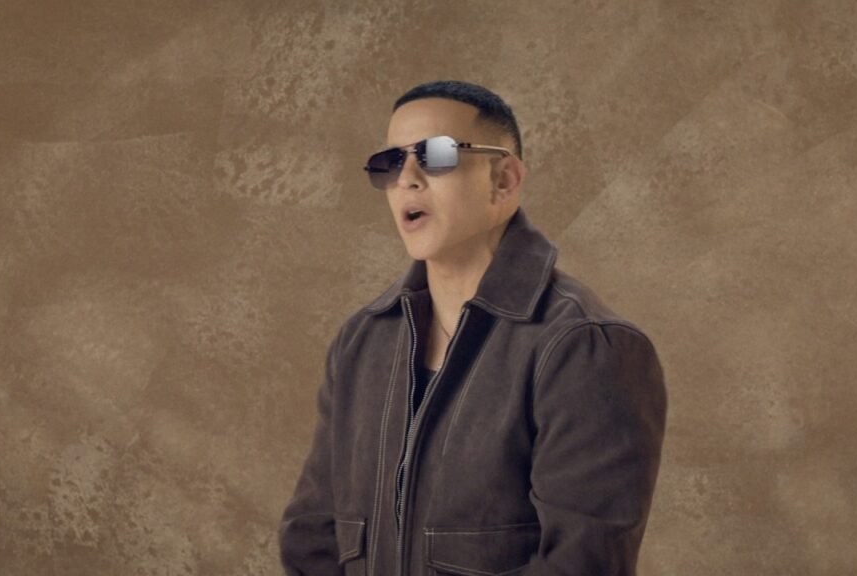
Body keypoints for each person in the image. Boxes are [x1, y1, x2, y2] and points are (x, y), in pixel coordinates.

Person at [278, 80, 667, 576]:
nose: (407, 179)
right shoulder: (362, 343)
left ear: (503, 180)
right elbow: (311, 540)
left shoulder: (586, 347)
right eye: (391, 162)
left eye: (436, 155)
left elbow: (580, 565)